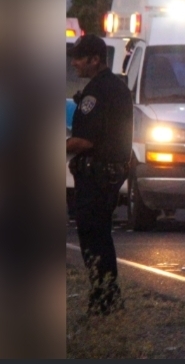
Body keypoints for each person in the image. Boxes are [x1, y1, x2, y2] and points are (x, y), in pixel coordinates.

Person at [66, 33, 133, 315]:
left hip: (96, 177)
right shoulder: (117, 88)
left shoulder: (96, 93)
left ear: (95, 60)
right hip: (108, 175)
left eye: (80, 58)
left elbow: (85, 140)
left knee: (94, 240)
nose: (75, 64)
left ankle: (104, 300)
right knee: (101, 237)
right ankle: (107, 297)